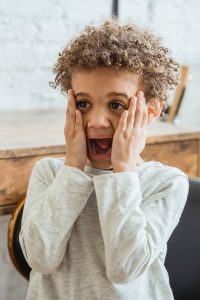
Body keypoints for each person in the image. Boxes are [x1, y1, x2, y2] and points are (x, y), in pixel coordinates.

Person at [19, 18, 189, 300]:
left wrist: (123, 172)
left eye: (116, 105)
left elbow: (124, 269)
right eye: (84, 104)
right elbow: (40, 259)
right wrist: (73, 165)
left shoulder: (165, 183)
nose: (96, 121)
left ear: (151, 111)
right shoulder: (50, 173)